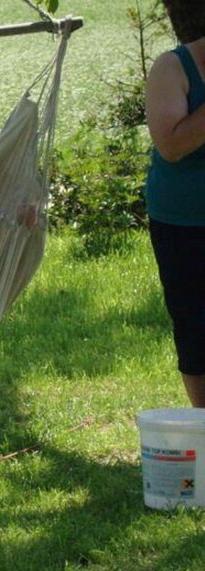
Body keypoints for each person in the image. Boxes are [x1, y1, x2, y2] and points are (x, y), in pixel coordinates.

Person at [144, 0, 205, 407]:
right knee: (196, 326)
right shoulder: (172, 67)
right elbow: (172, 145)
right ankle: (202, 424)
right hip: (185, 222)